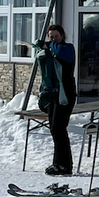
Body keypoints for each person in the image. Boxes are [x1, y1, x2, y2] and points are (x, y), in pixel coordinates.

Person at [35, 24, 76, 176]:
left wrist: (50, 45)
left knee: (59, 128)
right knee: (54, 129)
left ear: (62, 36)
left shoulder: (67, 48)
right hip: (52, 94)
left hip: (65, 94)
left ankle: (65, 165)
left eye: (56, 37)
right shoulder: (51, 50)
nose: (53, 39)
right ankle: (58, 163)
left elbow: (63, 55)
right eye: (51, 37)